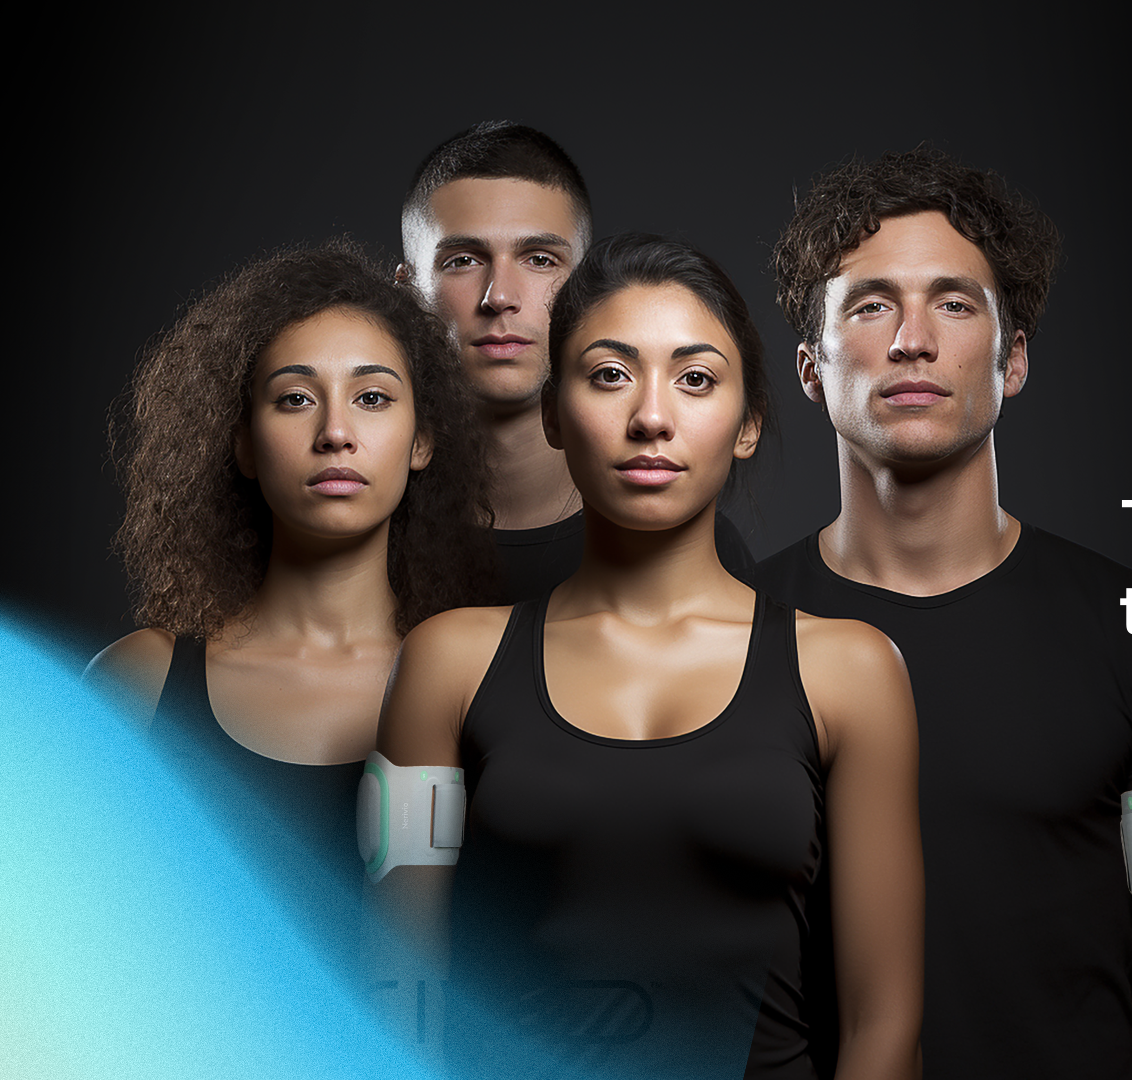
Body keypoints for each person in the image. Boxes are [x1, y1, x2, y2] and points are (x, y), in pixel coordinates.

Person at [757, 149, 1132, 1079]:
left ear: (1013, 357)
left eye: (954, 303)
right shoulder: (729, 631)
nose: (912, 339)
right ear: (810, 369)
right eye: (870, 304)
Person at [369, 234, 922, 1079]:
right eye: (609, 374)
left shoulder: (850, 671)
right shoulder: (447, 665)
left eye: (695, 379)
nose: (652, 417)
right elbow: (394, 988)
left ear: (749, 425)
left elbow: (884, 1023)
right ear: (554, 413)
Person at [86, 240, 496, 961]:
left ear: (422, 440)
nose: (335, 433)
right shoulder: (138, 684)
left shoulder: (482, 687)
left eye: (372, 398)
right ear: (242, 443)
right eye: (295, 398)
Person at [399, 120, 756, 598]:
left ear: (589, 285)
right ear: (405, 290)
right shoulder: (356, 530)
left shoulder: (699, 547)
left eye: (540, 259)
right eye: (462, 260)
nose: (500, 296)